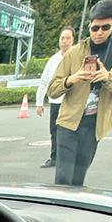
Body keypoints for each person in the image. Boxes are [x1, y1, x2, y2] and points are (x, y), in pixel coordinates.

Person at [48, 0, 112, 186]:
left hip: (94, 126)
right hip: (68, 123)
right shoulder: (75, 52)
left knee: (78, 179)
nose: (99, 33)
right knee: (63, 179)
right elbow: (52, 89)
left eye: (105, 27)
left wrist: (107, 77)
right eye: (94, 28)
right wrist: (72, 79)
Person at [36, 26, 76, 169]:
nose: (64, 41)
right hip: (56, 101)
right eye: (62, 38)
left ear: (73, 40)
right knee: (54, 131)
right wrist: (39, 102)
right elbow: (44, 81)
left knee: (72, 131)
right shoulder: (53, 60)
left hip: (73, 102)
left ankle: (71, 158)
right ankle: (54, 157)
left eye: (67, 38)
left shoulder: (78, 58)